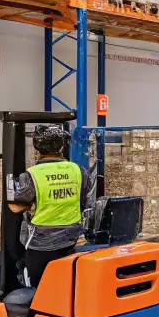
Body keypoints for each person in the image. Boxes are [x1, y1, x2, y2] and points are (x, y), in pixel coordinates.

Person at [8, 124, 93, 289]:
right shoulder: (78, 170)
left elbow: (15, 208)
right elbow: (83, 201)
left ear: (37, 148)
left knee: (40, 287)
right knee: (64, 282)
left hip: (40, 243)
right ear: (62, 146)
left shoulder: (32, 175)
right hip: (69, 239)